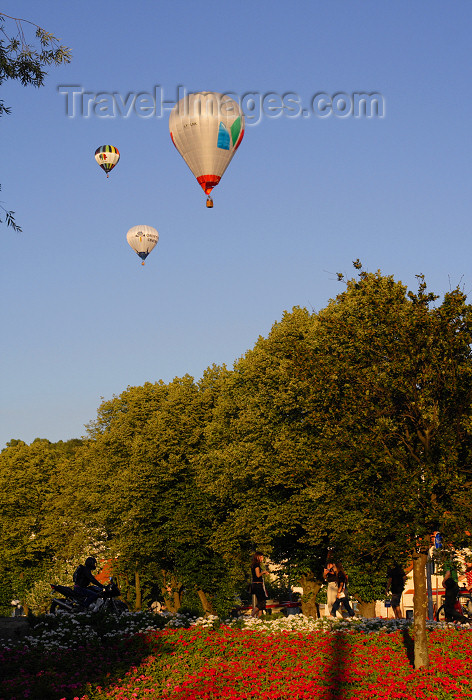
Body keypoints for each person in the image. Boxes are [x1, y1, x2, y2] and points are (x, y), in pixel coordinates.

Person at [250, 552, 269, 618]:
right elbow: (258, 575)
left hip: (256, 585)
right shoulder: (256, 565)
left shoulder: (255, 565)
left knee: (261, 601)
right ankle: (252, 615)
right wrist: (263, 572)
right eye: (261, 557)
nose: (262, 559)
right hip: (258, 585)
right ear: (258, 557)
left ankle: (260, 616)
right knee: (262, 602)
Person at [323, 552, 339, 617]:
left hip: (335, 583)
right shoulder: (326, 564)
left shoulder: (336, 564)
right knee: (329, 600)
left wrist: (332, 571)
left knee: (334, 600)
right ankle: (331, 614)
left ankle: (337, 614)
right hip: (329, 583)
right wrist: (326, 573)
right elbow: (324, 575)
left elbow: (337, 572)